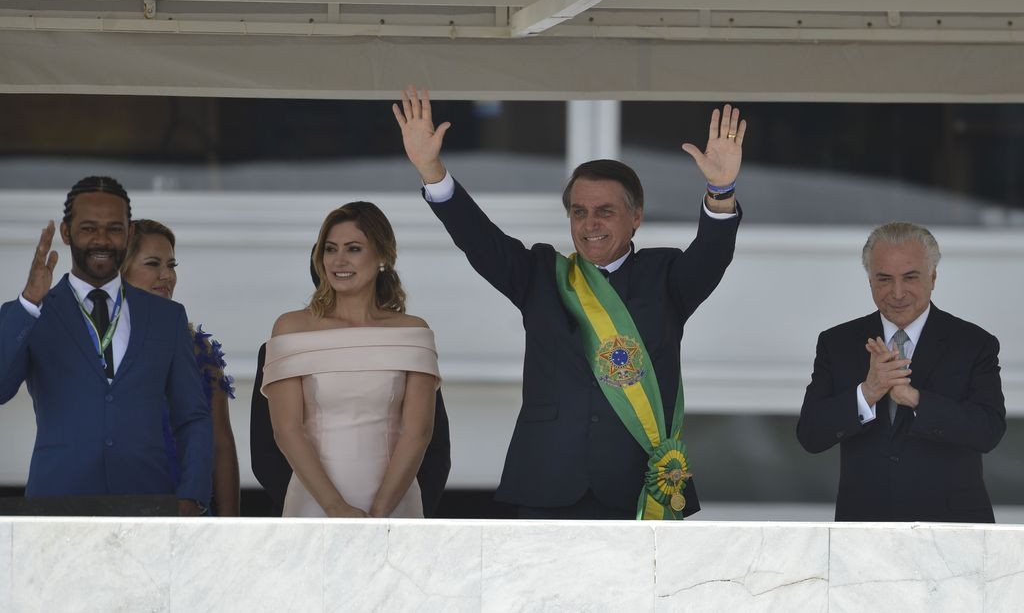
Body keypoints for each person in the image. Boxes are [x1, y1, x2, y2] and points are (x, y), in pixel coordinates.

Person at [392, 86, 745, 520]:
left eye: (605, 211)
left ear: (636, 216)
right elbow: (478, 240)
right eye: (579, 212)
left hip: (637, 488)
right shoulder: (541, 275)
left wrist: (721, 189)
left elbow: (713, 253)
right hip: (546, 482)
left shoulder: (665, 278)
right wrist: (432, 170)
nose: (590, 224)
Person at [0, 176, 212, 516]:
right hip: (55, 505)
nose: (102, 239)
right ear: (67, 233)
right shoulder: (30, 312)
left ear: (128, 234)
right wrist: (29, 303)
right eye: (88, 228)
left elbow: (193, 417)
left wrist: (192, 497)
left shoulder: (167, 317)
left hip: (150, 505)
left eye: (114, 229)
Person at [796, 222, 1006, 522]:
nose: (897, 292)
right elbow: (810, 435)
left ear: (933, 277)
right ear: (869, 280)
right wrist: (867, 393)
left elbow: (988, 432)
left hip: (954, 530)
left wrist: (916, 399)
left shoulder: (974, 344)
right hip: (864, 531)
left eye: (910, 277)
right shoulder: (837, 343)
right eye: (884, 279)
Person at [262, 202, 440, 517]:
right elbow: (286, 430)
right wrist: (336, 508)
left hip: (394, 504)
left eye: (353, 248)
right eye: (330, 249)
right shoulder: (290, 328)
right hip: (314, 504)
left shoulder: (413, 331)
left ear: (383, 257)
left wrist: (380, 511)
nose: (339, 260)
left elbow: (418, 432)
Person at [121, 219, 241, 516]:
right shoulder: (94, 341)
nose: (167, 276)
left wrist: (231, 530)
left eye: (171, 265)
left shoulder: (198, 348)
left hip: (183, 512)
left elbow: (221, 444)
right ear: (120, 270)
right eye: (153, 264)